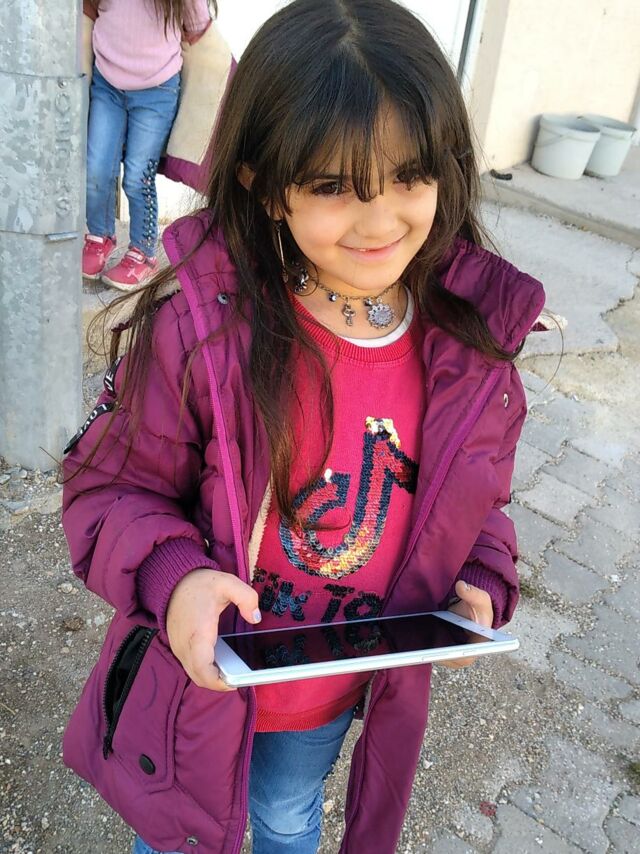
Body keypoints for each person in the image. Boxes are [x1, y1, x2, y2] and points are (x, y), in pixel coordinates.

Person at [61, 1, 545, 852]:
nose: (379, 221)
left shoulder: (467, 349)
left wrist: (481, 577)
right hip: (200, 682)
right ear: (262, 180)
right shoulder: (201, 329)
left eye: (409, 177)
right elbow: (110, 489)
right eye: (331, 186)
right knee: (178, 837)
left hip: (329, 694)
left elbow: (476, 504)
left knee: (288, 816)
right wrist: (177, 577)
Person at [81, 0, 214, 289]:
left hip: (157, 90)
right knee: (96, 169)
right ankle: (99, 235)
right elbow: (89, 9)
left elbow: (198, 26)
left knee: (137, 177)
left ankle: (143, 253)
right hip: (108, 83)